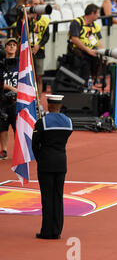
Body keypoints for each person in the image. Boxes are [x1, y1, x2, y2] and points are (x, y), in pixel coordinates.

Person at [32, 94, 73, 239]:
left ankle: (47, 231)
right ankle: (57, 230)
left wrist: (40, 159)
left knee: (47, 198)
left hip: (46, 163)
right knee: (58, 196)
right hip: (61, 163)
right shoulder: (68, 122)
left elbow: (35, 144)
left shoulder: (42, 122)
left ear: (49, 105)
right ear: (60, 106)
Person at [67, 3, 103, 81]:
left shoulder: (95, 26)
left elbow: (99, 41)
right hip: (78, 54)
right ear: (92, 13)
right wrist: (88, 50)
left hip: (91, 53)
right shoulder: (77, 22)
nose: (98, 15)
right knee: (82, 77)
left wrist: (101, 53)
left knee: (93, 75)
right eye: (97, 13)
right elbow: (75, 39)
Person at [27, 0, 51, 97]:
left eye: (38, 4)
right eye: (35, 4)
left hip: (39, 50)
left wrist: (38, 45)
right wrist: (28, 20)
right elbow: (19, 31)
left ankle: (39, 101)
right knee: (27, 76)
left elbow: (46, 36)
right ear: (30, 5)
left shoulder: (45, 20)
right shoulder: (24, 17)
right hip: (26, 50)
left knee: (39, 77)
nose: (37, 6)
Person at [0, 37, 19, 160]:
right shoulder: (1, 63)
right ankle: (4, 150)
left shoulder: (21, 63)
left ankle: (19, 150)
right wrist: (11, 88)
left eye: (14, 45)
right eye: (9, 45)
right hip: (2, 99)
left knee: (17, 126)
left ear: (17, 48)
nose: (12, 46)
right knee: (2, 126)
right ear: (5, 47)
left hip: (17, 99)